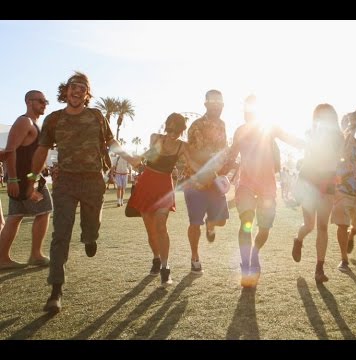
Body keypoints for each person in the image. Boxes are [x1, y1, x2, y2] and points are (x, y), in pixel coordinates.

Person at [27, 72, 140, 313]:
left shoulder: (97, 116)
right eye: (72, 87)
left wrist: (133, 160)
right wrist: (32, 178)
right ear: (65, 91)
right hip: (65, 182)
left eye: (82, 88)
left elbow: (112, 143)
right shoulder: (54, 120)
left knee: (91, 228)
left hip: (93, 181)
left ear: (87, 94)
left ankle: (90, 237)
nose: (77, 91)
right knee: (61, 234)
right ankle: (56, 290)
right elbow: (42, 150)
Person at [228, 95, 304, 287]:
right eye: (247, 108)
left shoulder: (270, 128)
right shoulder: (240, 131)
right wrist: (216, 174)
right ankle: (246, 265)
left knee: (264, 229)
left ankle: (255, 254)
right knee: (246, 222)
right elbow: (231, 156)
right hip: (245, 183)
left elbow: (290, 138)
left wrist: (310, 145)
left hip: (267, 186)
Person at [128, 113, 197, 287]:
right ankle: (156, 258)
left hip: (164, 186)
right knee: (150, 231)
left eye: (177, 128)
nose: (173, 131)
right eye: (170, 127)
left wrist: (209, 171)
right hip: (147, 183)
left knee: (161, 225)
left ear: (182, 130)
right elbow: (150, 156)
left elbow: (192, 164)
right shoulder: (155, 137)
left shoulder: (183, 146)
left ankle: (165, 269)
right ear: (166, 126)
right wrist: (140, 158)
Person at [0, 90, 53, 270]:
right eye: (41, 101)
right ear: (29, 102)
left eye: (46, 101)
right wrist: (13, 179)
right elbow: (11, 150)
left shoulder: (35, 124)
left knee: (15, 217)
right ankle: (36, 255)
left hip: (28, 178)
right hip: (27, 180)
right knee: (44, 210)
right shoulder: (25, 121)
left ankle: (2, 258)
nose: (44, 104)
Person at [291, 104, 344, 283]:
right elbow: (311, 158)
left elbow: (337, 160)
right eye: (320, 117)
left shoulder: (339, 137)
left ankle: (319, 269)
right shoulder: (310, 134)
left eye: (327, 116)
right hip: (309, 182)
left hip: (328, 182)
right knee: (309, 225)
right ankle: (298, 239)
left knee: (323, 226)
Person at [182, 89, 231, 274]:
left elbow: (221, 150)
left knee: (221, 221)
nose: (217, 106)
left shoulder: (222, 125)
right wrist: (206, 171)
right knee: (195, 222)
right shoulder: (196, 125)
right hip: (195, 182)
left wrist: (224, 163)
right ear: (206, 104)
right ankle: (195, 258)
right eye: (213, 102)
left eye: (220, 103)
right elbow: (194, 154)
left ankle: (211, 224)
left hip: (215, 181)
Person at [331, 108, 356, 272]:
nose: (352, 127)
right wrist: (354, 120)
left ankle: (351, 235)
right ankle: (344, 259)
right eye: (348, 124)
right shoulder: (339, 141)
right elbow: (344, 147)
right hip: (342, 190)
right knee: (342, 225)